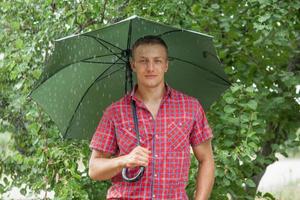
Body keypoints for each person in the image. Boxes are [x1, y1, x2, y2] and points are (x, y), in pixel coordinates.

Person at [89, 35, 215, 200]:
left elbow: (206, 159)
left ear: (166, 65)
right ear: (133, 65)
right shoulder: (115, 112)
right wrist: (124, 160)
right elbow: (94, 169)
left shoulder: (190, 107)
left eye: (157, 61)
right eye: (143, 61)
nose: (150, 68)